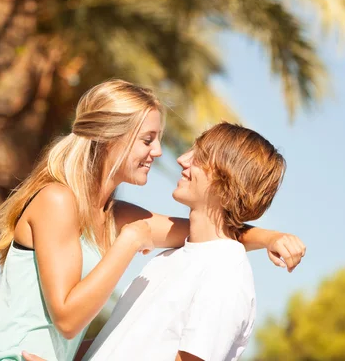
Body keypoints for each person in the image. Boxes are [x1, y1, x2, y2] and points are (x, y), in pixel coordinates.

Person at [0, 80, 306, 361]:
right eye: (147, 139)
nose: (159, 152)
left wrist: (270, 238)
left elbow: (213, 236)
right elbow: (68, 320)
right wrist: (130, 241)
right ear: (109, 138)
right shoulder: (58, 201)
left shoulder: (120, 217)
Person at [82, 122, 286, 361]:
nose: (182, 159)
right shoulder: (171, 257)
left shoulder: (226, 271)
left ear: (228, 179)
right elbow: (116, 344)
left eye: (199, 157)